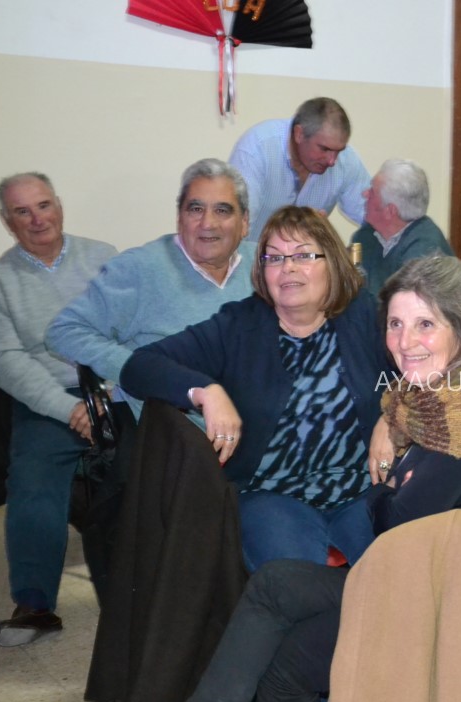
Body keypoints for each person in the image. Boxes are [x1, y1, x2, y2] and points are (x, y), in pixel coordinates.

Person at [120, 255, 461, 702]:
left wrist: (382, 491)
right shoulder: (434, 394)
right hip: (431, 574)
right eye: (395, 324)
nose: (405, 341)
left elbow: (395, 523)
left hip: (452, 601)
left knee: (286, 656)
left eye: (425, 324)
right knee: (275, 586)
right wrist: (389, 472)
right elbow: (399, 496)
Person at [120, 206, 392, 572]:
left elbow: (423, 372)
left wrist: (394, 415)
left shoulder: (363, 314)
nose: (288, 268)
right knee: (295, 584)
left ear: (332, 262)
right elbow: (138, 366)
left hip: (359, 490)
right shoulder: (238, 326)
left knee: (396, 575)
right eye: (274, 258)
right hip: (272, 495)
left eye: (303, 255)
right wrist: (206, 390)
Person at [0, 172, 118, 645]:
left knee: (157, 468)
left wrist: (107, 397)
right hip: (47, 402)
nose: (37, 219)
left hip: (114, 393)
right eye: (23, 211)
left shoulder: (104, 257)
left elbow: (132, 333)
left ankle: (155, 587)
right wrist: (70, 409)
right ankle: (34, 604)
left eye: (43, 205)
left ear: (58, 205)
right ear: (7, 221)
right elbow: (7, 363)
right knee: (32, 485)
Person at [47, 159, 257, 417]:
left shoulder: (266, 263)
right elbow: (64, 332)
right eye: (196, 209)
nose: (208, 223)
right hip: (182, 428)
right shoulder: (139, 269)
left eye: (222, 210)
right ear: (179, 218)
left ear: (244, 222)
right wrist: (134, 371)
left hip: (266, 420)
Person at [229, 97, 372, 239]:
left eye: (338, 151)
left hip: (306, 254)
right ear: (299, 134)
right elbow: (236, 227)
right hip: (250, 251)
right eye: (324, 149)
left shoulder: (346, 161)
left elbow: (374, 217)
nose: (332, 161)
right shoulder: (257, 149)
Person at [348, 158, 451, 294]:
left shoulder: (424, 251)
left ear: (390, 211)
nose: (364, 194)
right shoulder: (365, 236)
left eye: (372, 191)